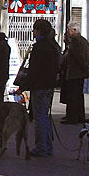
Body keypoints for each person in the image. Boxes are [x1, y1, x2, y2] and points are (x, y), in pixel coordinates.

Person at [20, 19, 60, 157]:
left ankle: (41, 147)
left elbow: (34, 71)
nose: (33, 32)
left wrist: (24, 86)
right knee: (45, 116)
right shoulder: (53, 47)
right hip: (49, 85)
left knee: (39, 118)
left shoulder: (39, 47)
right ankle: (48, 146)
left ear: (38, 31)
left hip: (40, 86)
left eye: (34, 30)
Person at [61, 22, 89, 125]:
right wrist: (88, 68)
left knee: (73, 96)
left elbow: (78, 56)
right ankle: (80, 116)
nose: (68, 32)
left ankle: (72, 117)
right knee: (79, 96)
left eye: (69, 30)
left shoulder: (75, 41)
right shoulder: (84, 41)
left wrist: (85, 68)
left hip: (75, 73)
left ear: (74, 30)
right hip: (81, 73)